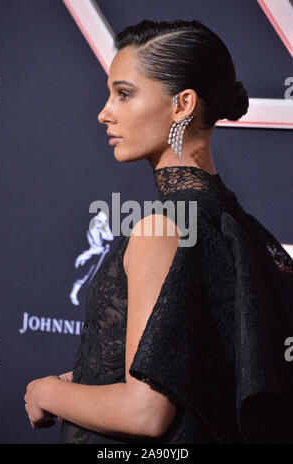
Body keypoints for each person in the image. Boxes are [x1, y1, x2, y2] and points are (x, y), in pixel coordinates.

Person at [24, 19, 293, 444]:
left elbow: (145, 412)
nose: (103, 112)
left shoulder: (161, 228)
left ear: (182, 104)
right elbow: (194, 370)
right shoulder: (239, 226)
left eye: (124, 93)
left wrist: (46, 391)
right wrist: (89, 377)